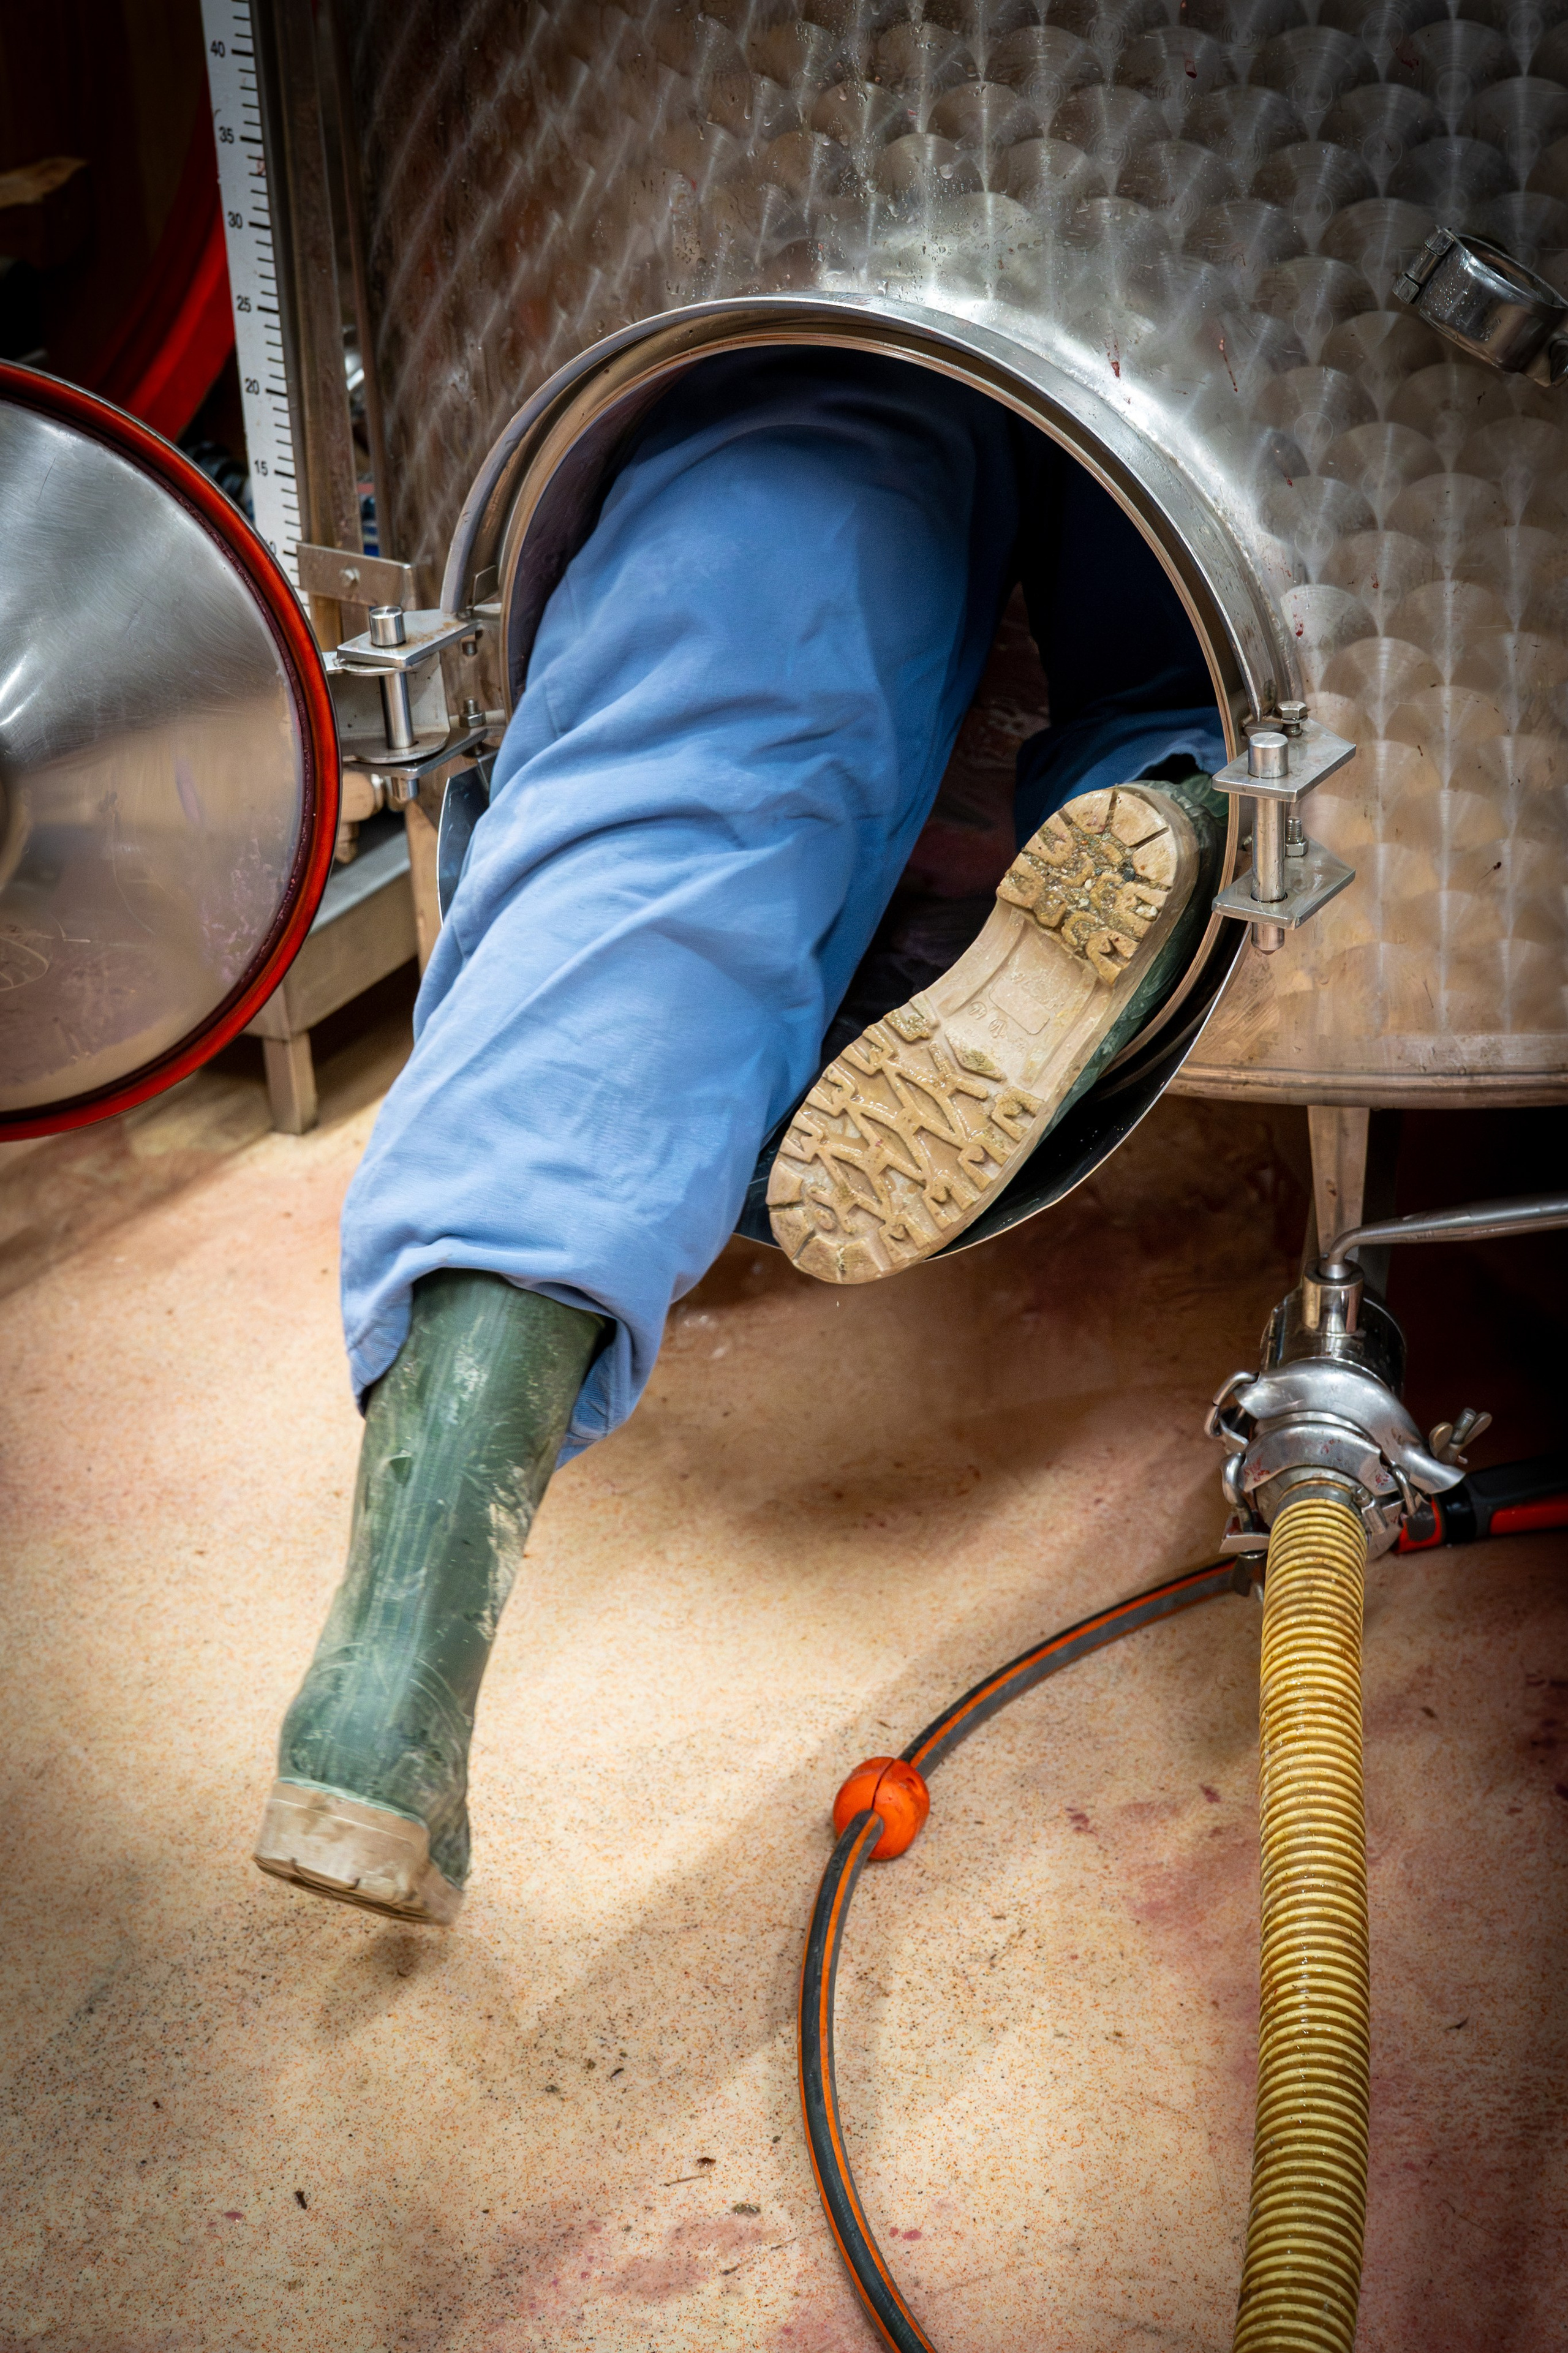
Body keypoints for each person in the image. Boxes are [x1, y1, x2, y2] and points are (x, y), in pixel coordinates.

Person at [252, 348, 1226, 1924]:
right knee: (1187, 580)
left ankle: (389, 1672)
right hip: (1202, 238)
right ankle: (1173, 811)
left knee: (709, 705)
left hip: (806, 182)